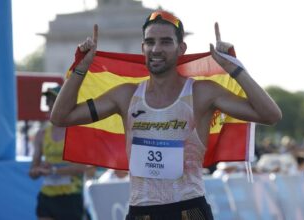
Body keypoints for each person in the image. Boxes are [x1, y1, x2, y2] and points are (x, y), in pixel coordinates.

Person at [51, 10, 282, 220]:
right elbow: (60, 117)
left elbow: (270, 115)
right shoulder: (125, 95)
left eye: (165, 42)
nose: (156, 49)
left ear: (181, 48)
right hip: (140, 211)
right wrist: (82, 67)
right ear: (142, 48)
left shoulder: (201, 92)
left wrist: (235, 68)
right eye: (150, 42)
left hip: (189, 210)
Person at [29, 86, 88, 220]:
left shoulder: (77, 132)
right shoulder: (41, 134)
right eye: (48, 100)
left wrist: (54, 171)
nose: (49, 104)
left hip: (71, 196)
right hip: (47, 196)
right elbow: (32, 171)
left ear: (65, 103)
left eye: (53, 100)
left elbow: (82, 168)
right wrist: (36, 171)